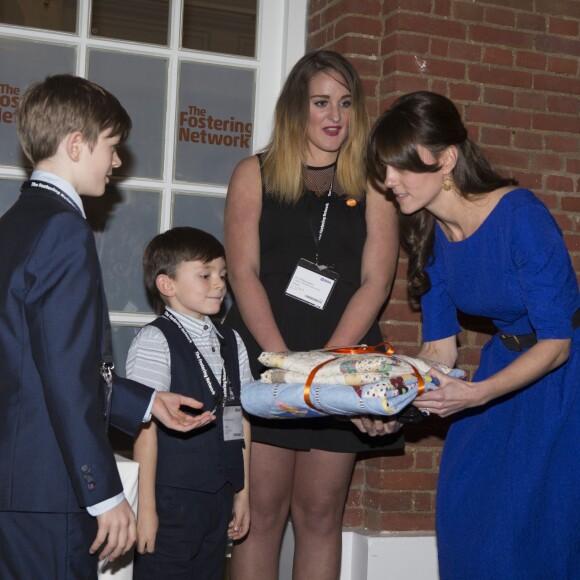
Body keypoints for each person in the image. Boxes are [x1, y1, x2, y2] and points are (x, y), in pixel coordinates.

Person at [0, 75, 215, 579]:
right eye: (113, 147)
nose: (117, 163)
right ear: (77, 145)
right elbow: (66, 378)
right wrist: (103, 494)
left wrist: (145, 402)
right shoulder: (64, 230)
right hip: (51, 492)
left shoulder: (14, 223)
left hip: (19, 484)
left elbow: (38, 363)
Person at [367, 90, 580, 579]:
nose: (388, 181)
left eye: (400, 167)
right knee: (463, 508)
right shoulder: (427, 229)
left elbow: (558, 342)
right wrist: (392, 403)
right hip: (503, 365)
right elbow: (440, 349)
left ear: (447, 160)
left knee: (532, 532)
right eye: (383, 167)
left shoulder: (520, 215)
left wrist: (477, 394)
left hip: (563, 377)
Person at [224, 50, 403, 580]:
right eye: (321, 102)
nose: (335, 116)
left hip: (342, 360)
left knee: (321, 514)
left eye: (346, 103)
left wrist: (325, 365)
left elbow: (377, 281)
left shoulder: (374, 183)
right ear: (295, 109)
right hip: (266, 356)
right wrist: (284, 363)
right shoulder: (253, 173)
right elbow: (243, 273)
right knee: (260, 515)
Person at [127, 226, 252, 580]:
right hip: (171, 498)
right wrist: (145, 509)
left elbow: (239, 418)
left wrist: (242, 493)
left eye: (222, 275)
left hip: (220, 495)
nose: (219, 284)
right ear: (167, 285)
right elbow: (143, 426)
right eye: (205, 275)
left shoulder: (231, 340)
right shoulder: (155, 339)